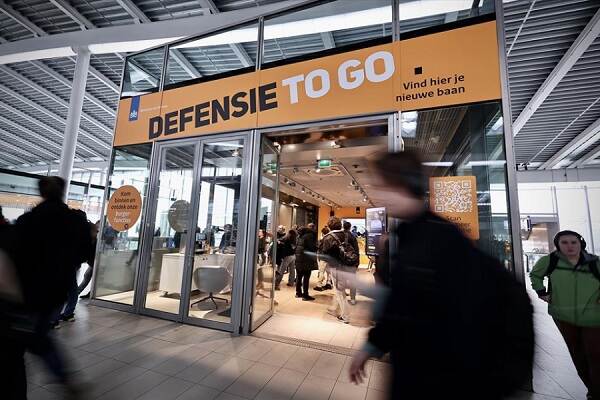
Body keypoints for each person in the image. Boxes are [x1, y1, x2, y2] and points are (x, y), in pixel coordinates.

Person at [348, 151, 533, 399]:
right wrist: (375, 344)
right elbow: (407, 303)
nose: (377, 195)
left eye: (382, 186)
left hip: (438, 378)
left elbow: (408, 309)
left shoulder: (431, 240)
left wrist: (374, 344)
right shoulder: (421, 234)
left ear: (403, 185)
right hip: (430, 372)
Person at [11, 176, 91, 398]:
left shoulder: (30, 220)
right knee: (37, 332)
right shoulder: (74, 220)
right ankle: (62, 375)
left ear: (42, 193)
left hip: (31, 288)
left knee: (31, 336)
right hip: (59, 287)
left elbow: (18, 252)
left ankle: (57, 375)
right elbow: (85, 251)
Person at [530, 230, 600, 399]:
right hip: (563, 315)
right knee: (578, 353)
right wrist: (542, 292)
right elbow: (535, 275)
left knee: (595, 353)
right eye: (565, 242)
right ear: (558, 245)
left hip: (593, 315)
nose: (570, 246)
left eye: (573, 242)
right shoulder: (550, 261)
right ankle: (592, 389)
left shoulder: (594, 262)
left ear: (580, 243)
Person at [319, 217, 357, 323]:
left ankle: (345, 316)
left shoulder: (328, 237)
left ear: (329, 226)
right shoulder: (348, 235)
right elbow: (355, 250)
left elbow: (324, 255)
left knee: (340, 291)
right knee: (340, 289)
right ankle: (335, 308)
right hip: (349, 265)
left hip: (337, 267)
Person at [295, 223, 318, 301]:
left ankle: (298, 293)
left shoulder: (299, 236)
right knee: (306, 277)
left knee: (299, 276)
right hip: (306, 260)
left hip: (298, 259)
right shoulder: (310, 236)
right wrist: (317, 247)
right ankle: (305, 295)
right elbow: (312, 248)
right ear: (313, 228)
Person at [78, 220, 99, 299]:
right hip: (93, 262)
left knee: (88, 276)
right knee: (87, 276)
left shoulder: (96, 240)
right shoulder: (91, 239)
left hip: (95, 262)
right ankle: (80, 292)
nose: (97, 231)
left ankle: (87, 293)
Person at [343, 221, 360, 305]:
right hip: (351, 262)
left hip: (342, 262)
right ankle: (352, 298)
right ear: (350, 227)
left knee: (341, 280)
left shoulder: (340, 236)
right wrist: (357, 262)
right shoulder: (353, 236)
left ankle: (342, 298)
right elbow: (356, 250)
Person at [315, 226, 333, 291]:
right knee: (329, 272)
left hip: (323, 257)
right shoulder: (331, 238)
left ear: (322, 233)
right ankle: (328, 283)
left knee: (321, 271)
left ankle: (319, 285)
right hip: (330, 257)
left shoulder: (323, 239)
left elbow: (320, 248)